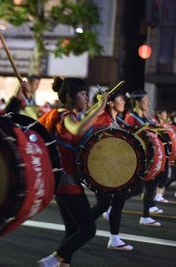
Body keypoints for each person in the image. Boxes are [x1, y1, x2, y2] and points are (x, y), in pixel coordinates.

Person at [38, 77, 108, 267]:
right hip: (67, 183)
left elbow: (82, 124)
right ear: (69, 96)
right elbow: (77, 129)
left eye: (87, 94)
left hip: (63, 181)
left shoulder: (69, 114)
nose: (87, 98)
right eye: (83, 93)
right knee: (88, 230)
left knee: (73, 229)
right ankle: (53, 259)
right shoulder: (64, 115)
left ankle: (61, 263)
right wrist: (100, 108)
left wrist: (97, 108)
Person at [89, 90, 133, 250]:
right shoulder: (102, 120)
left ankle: (113, 238)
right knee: (107, 203)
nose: (123, 102)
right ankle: (79, 228)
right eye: (120, 99)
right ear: (110, 102)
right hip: (101, 170)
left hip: (111, 169)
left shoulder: (115, 120)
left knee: (109, 203)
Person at [124, 90, 162, 226]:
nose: (148, 102)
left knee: (150, 186)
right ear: (138, 101)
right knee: (139, 188)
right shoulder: (131, 118)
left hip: (146, 159)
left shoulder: (145, 118)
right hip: (136, 159)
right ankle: (112, 204)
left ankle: (146, 215)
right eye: (146, 100)